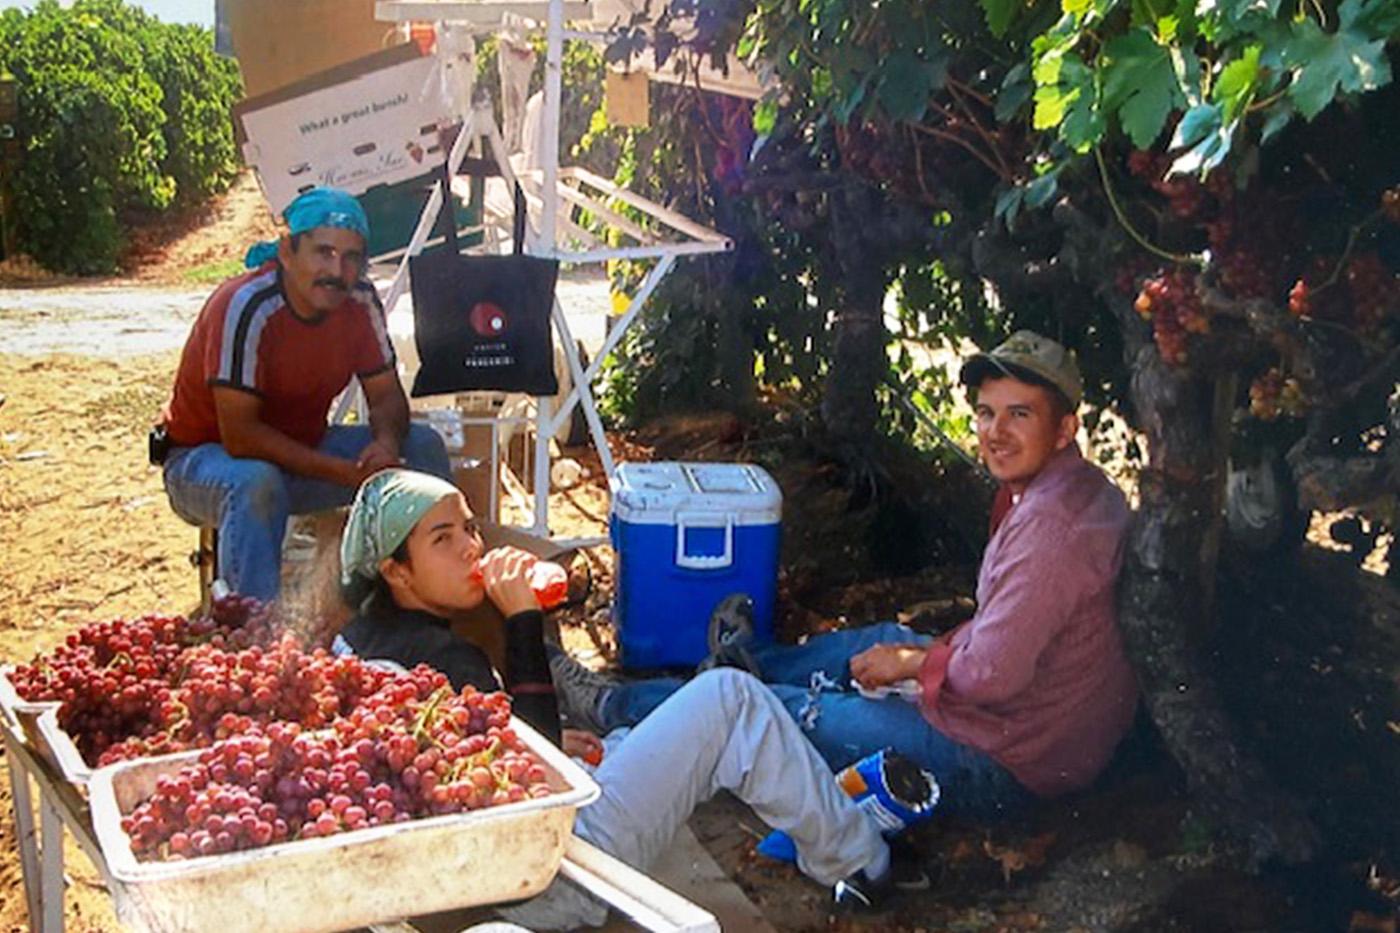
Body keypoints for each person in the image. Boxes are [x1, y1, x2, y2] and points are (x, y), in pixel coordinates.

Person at [552, 330, 1140, 822]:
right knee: (868, 642)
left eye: (1020, 415)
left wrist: (914, 667)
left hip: (1005, 759)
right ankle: (749, 660)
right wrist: (915, 661)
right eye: (987, 413)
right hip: (1020, 719)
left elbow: (991, 677)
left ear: (1064, 430)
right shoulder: (1066, 490)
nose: (995, 432)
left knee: (756, 709)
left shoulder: (1053, 530)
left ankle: (614, 704)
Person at [333, 468, 897, 924]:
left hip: (447, 889)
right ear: (396, 572)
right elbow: (532, 800)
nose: (470, 548)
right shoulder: (448, 661)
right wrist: (524, 623)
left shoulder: (352, 644)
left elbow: (467, 768)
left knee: (626, 739)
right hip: (547, 883)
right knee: (730, 699)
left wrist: (553, 741)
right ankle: (862, 863)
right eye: (442, 539)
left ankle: (830, 839)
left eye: (467, 528)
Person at [155, 187, 451, 602]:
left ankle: (429, 607)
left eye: (351, 258)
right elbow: (241, 436)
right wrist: (342, 473)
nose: (337, 270)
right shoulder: (246, 305)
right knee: (257, 483)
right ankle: (253, 635)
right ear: (287, 253)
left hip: (301, 451)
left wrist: (384, 444)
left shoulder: (360, 300)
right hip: (205, 460)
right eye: (323, 253)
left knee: (422, 448)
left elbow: (386, 398)